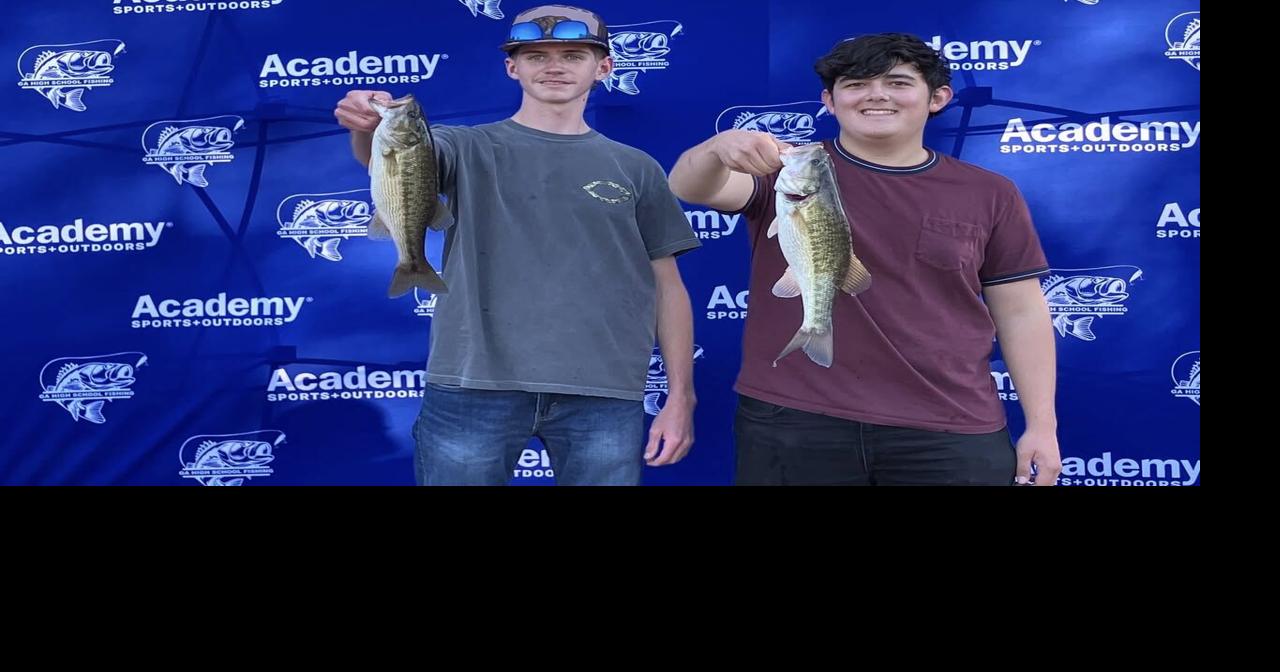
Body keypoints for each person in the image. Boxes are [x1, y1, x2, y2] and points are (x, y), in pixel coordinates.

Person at [668, 33, 1061, 486]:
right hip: (795, 418)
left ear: (937, 98)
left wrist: (1042, 426)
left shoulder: (990, 192)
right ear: (829, 102)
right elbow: (690, 186)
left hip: (950, 427)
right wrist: (715, 151)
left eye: (897, 82)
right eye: (855, 84)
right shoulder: (784, 171)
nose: (876, 95)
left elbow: (1021, 311)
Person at [334, 4, 700, 485]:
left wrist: (681, 396)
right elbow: (394, 164)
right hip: (472, 384)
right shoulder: (463, 146)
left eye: (573, 54)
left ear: (604, 67)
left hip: (604, 391)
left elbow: (667, 286)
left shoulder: (637, 167)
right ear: (512, 67)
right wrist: (365, 126)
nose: (554, 66)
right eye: (535, 55)